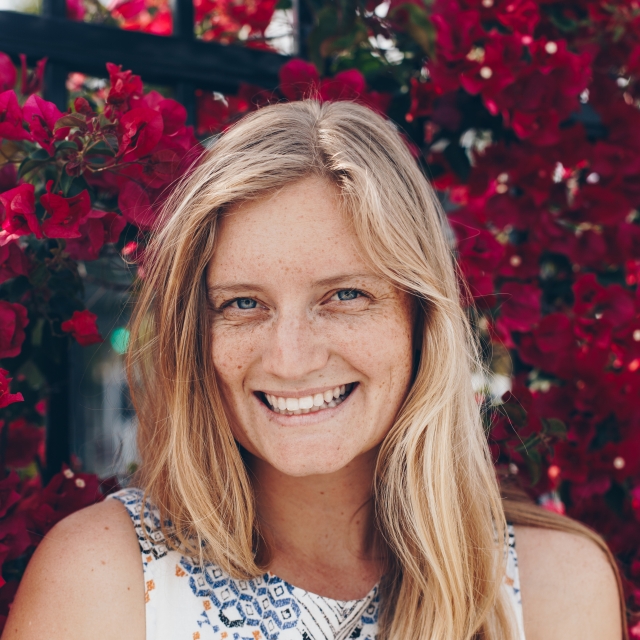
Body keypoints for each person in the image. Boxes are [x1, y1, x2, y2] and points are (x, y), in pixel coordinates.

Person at [2, 101, 624, 640]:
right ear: (198, 335)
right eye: (244, 304)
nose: (292, 357)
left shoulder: (553, 589)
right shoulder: (101, 579)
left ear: (420, 319)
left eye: (346, 295)